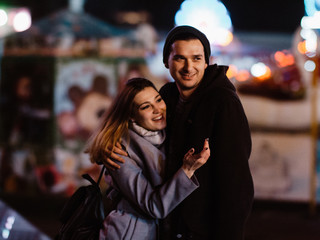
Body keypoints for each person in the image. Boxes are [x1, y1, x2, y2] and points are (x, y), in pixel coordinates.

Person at [105, 25, 254, 240]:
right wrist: (111, 145)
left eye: (196, 58)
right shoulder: (167, 96)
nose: (188, 67)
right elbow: (136, 124)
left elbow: (236, 182)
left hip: (203, 229)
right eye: (180, 58)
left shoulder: (223, 102)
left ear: (207, 61)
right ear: (167, 61)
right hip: (168, 224)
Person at [86, 77, 210, 240]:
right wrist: (188, 169)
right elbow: (154, 206)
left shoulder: (166, 135)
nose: (157, 109)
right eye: (146, 107)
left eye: (158, 100)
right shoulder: (119, 151)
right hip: (129, 234)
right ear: (131, 116)